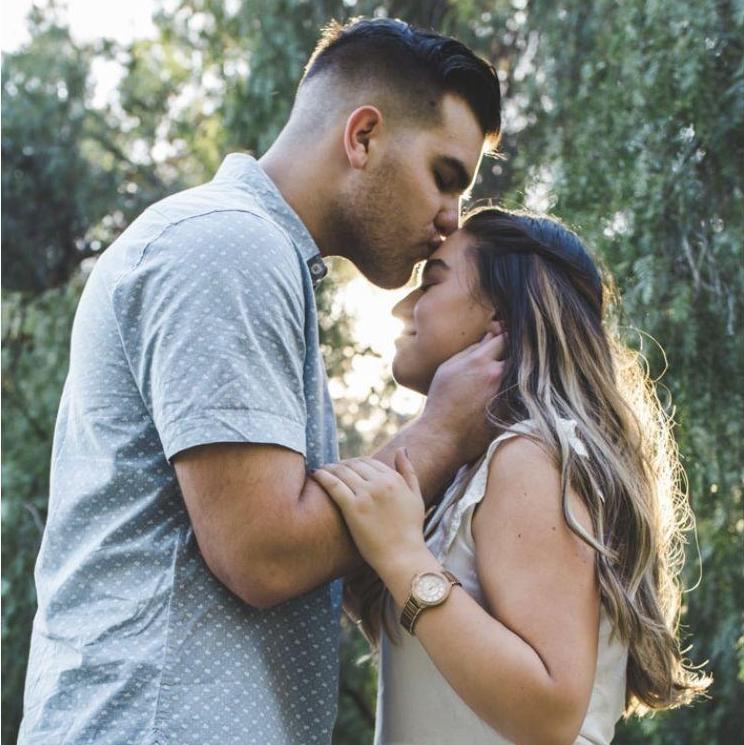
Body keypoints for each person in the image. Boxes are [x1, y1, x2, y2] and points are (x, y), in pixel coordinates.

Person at [18, 18, 503, 745]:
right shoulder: (230, 245)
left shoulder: (248, 252)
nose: (450, 220)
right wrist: (443, 431)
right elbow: (262, 553)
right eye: (444, 176)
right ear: (363, 136)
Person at [312, 207, 711, 745]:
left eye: (430, 283)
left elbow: (549, 713)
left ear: (499, 314)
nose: (401, 308)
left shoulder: (530, 457)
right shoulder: (476, 474)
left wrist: (402, 557)